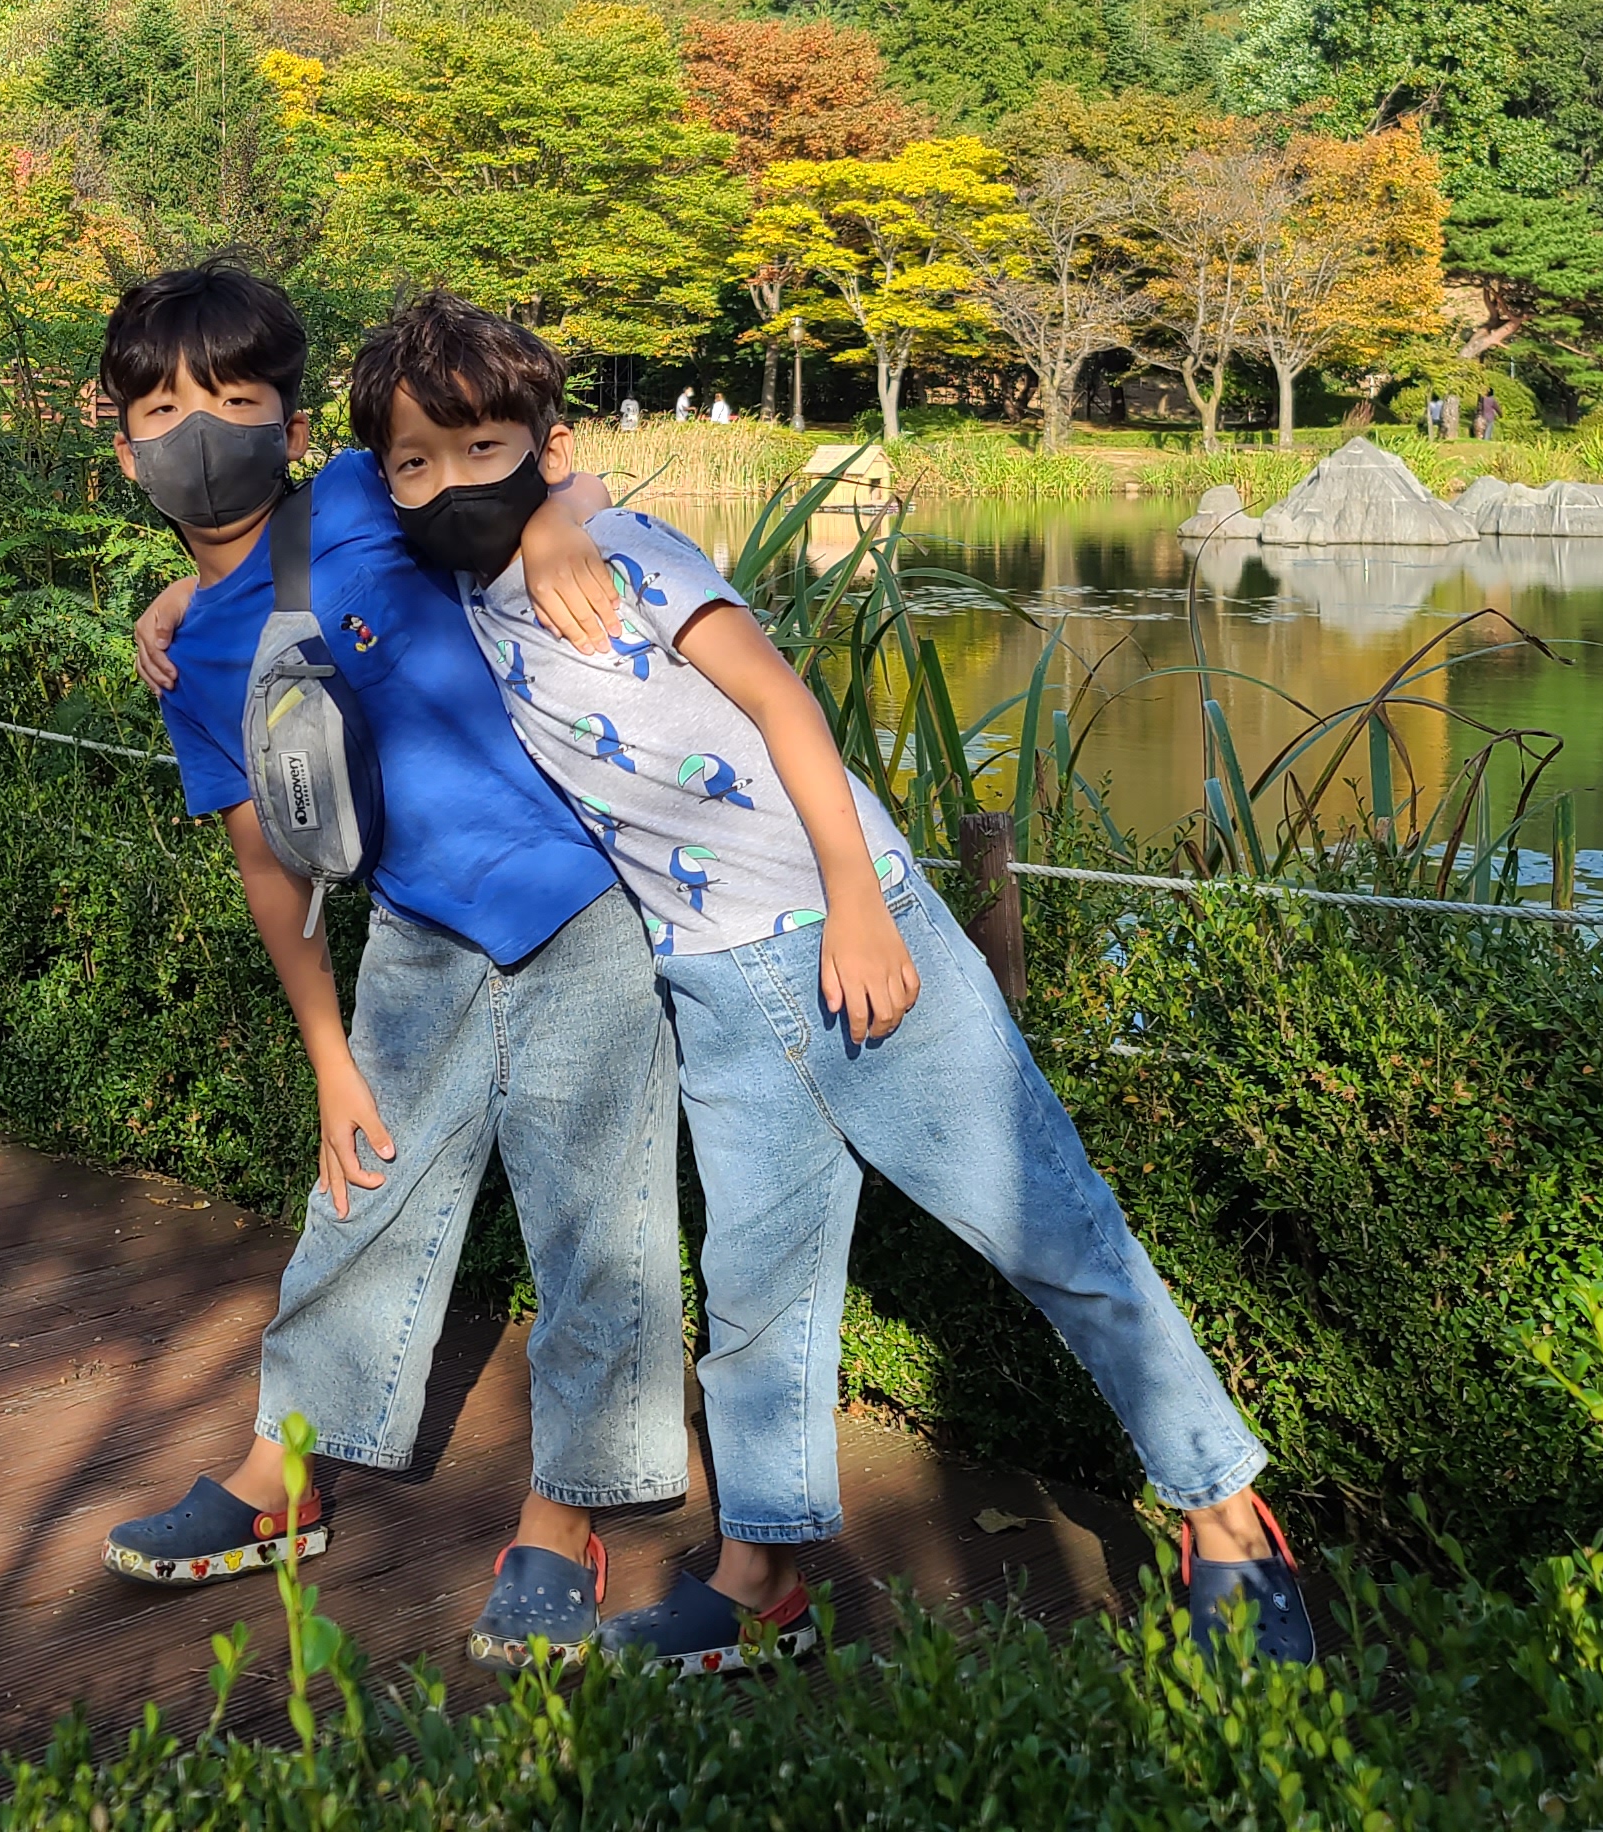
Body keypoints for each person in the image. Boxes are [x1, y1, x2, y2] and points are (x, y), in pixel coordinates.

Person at [151, 296, 1316, 1675]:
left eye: (484, 453)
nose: (451, 481)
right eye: (418, 463)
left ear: (546, 448)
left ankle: (1226, 1514)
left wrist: (856, 905)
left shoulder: (628, 554)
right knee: (760, 1294)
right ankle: (761, 1577)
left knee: (1055, 1235)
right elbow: (291, 559)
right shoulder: (451, 588)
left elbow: (783, 704)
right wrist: (183, 600)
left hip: (851, 937)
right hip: (706, 981)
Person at [93, 264, 686, 1664]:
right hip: (417, 933)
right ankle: (283, 1475)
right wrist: (327, 1058)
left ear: (295, 426)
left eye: (237, 401)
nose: (202, 433)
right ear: (122, 446)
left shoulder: (360, 492)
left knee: (598, 1219)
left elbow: (549, 468)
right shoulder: (191, 657)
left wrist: (560, 521)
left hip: (587, 898)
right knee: (360, 1193)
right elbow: (268, 865)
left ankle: (564, 1520)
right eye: (165, 411)